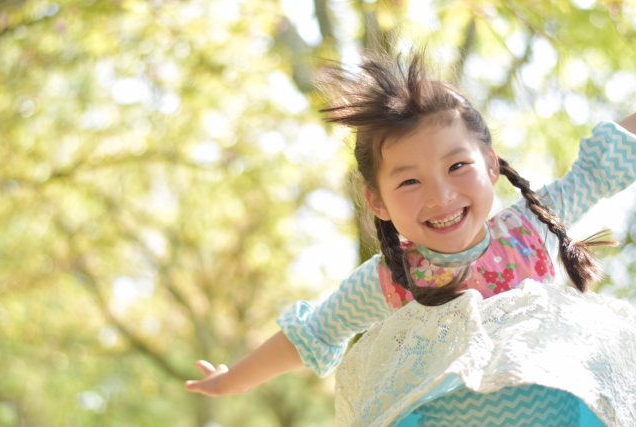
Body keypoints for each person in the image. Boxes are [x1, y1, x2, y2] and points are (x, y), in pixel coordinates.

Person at [185, 52, 636, 426]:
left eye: (457, 166)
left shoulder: (528, 231)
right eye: (409, 182)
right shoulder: (393, 279)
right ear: (377, 201)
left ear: (491, 166)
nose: (441, 195)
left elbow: (599, 169)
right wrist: (233, 380)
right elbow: (318, 330)